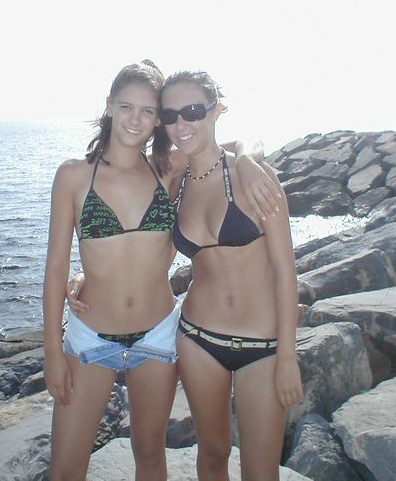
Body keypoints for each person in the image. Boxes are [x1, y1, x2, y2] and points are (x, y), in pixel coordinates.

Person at [43, 60, 281, 481]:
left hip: (157, 336)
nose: (135, 119)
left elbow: (234, 145)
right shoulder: (73, 176)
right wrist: (51, 352)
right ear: (109, 106)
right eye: (126, 107)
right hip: (90, 337)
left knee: (151, 456)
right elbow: (56, 266)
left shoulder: (168, 169)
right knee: (64, 471)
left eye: (148, 111)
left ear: (157, 120)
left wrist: (246, 159)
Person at [159, 71, 304, 481]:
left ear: (216, 110)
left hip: (264, 346)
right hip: (197, 339)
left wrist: (288, 357)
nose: (181, 124)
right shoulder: (175, 183)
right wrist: (84, 277)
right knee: (212, 455)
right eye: (170, 115)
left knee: (261, 471)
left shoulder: (252, 176)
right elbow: (143, 250)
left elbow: (285, 271)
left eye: (192, 111)